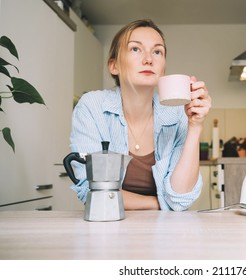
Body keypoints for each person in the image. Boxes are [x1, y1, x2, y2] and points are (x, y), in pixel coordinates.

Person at [69, 19, 211, 211]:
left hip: (166, 233)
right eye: (135, 49)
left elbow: (180, 198)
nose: (148, 59)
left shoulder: (179, 115)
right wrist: (160, 203)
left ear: (163, 68)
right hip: (108, 229)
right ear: (114, 66)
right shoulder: (92, 107)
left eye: (157, 51)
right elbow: (91, 190)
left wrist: (195, 126)